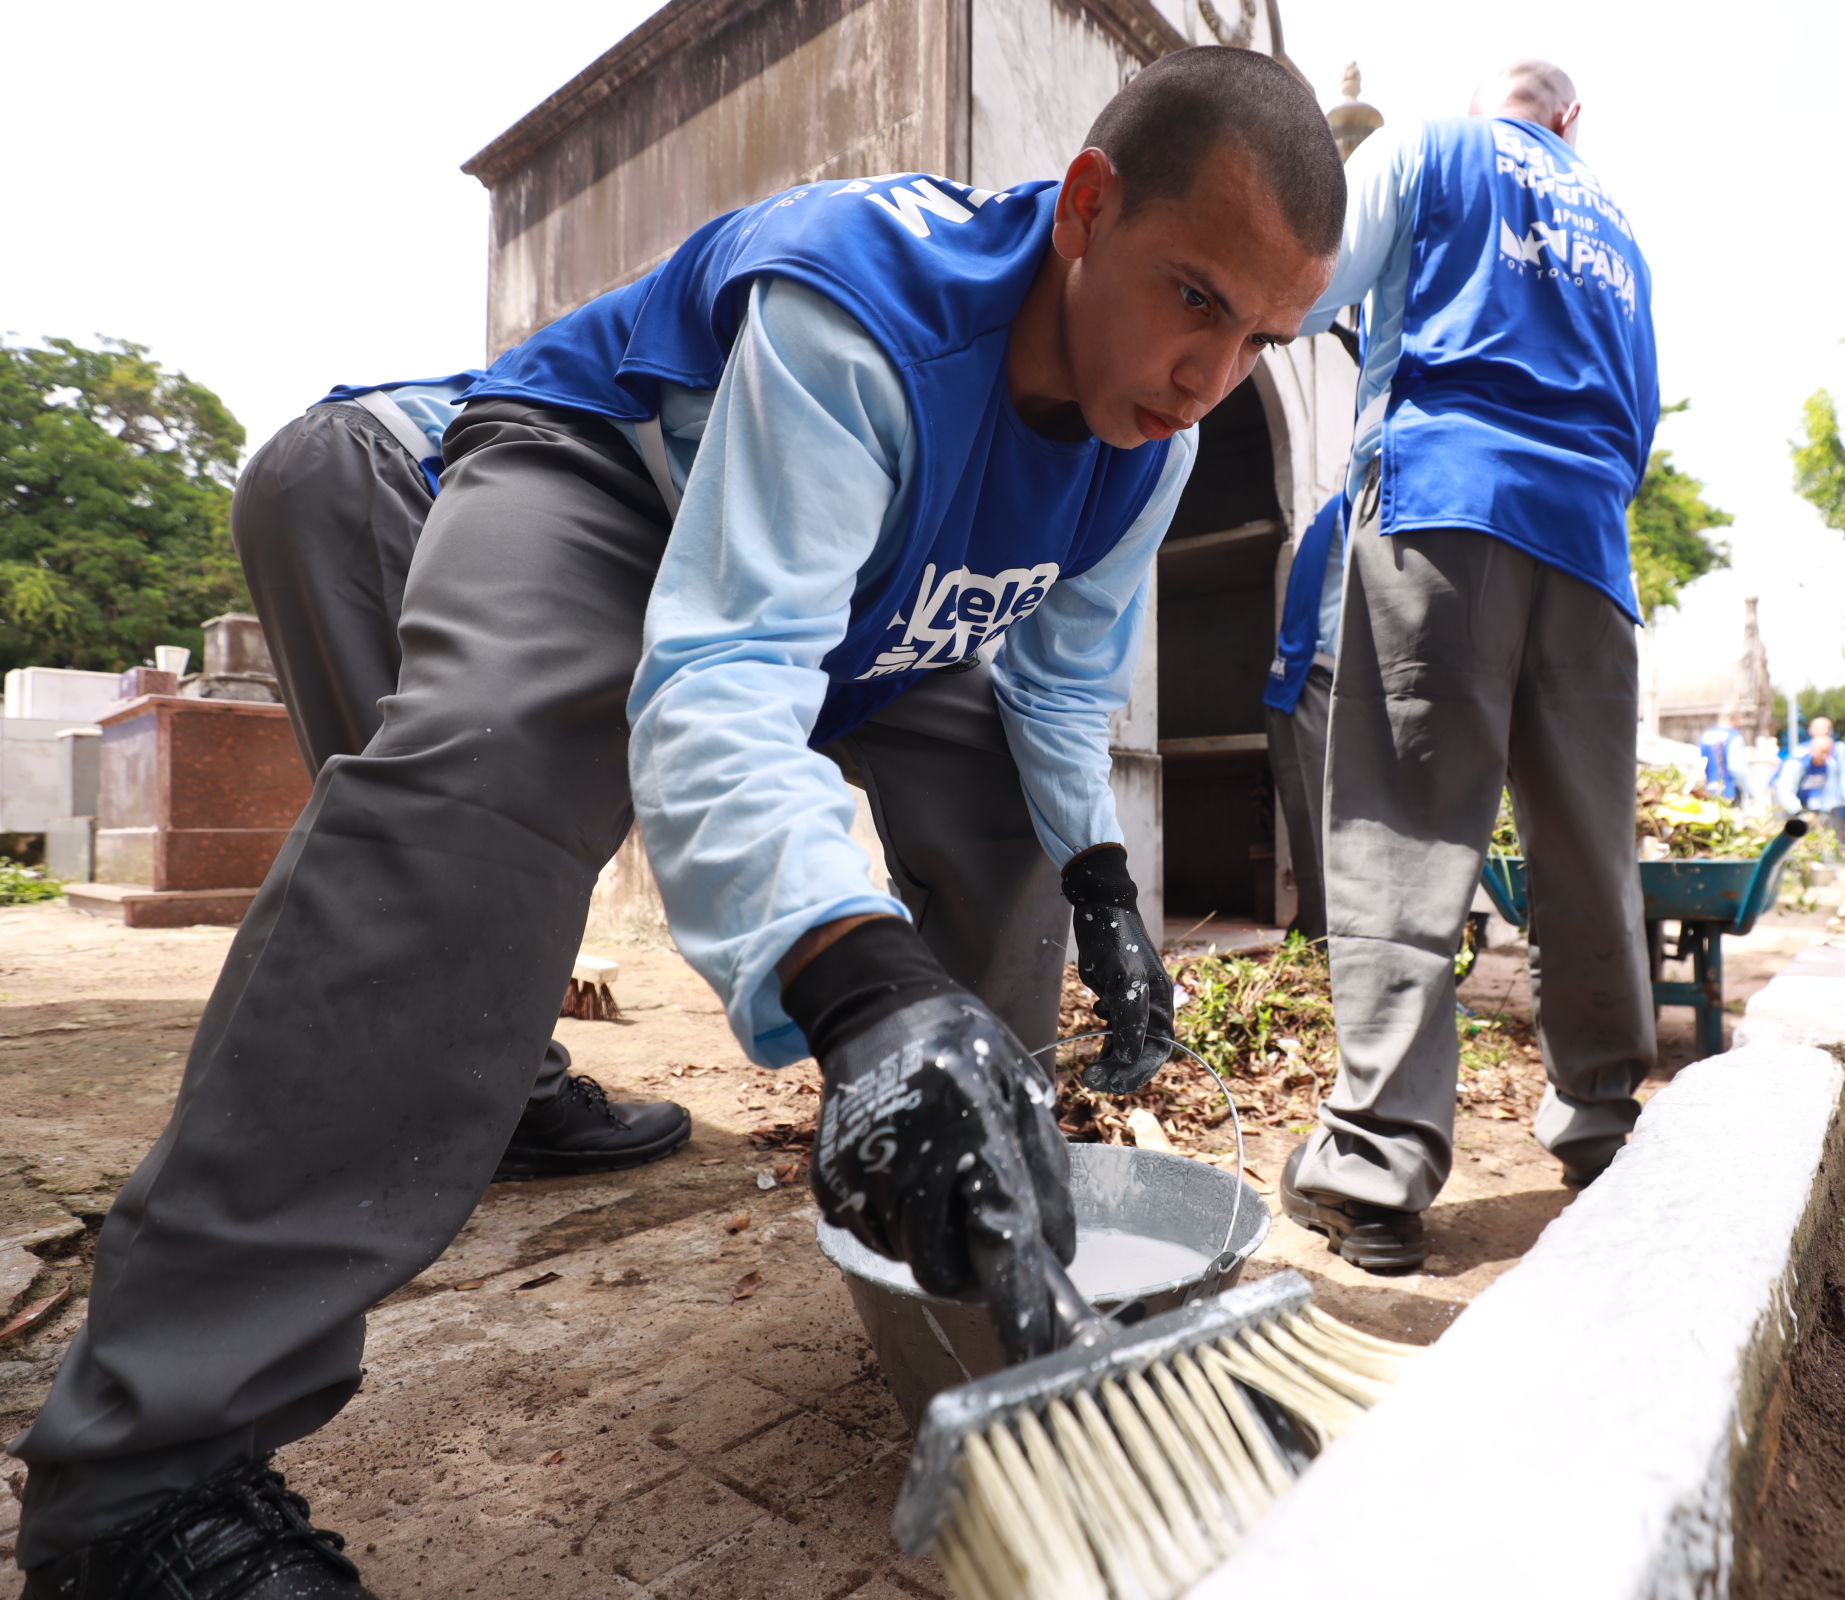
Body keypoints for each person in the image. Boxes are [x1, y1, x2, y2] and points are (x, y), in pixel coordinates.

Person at [8, 48, 1343, 1598]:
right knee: (490, 775)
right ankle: (144, 1473)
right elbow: (722, 668)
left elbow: (1051, 694)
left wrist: (1104, 882)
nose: (1212, 375)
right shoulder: (871, 296)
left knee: (999, 821)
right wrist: (854, 976)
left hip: (863, 605)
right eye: (1195, 299)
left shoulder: (1154, 448)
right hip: (617, 487)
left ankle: (980, 1225)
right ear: (1089, 211)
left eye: (1262, 338)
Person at [1276, 57, 1658, 1275]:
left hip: (1445, 498)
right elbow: (1639, 418)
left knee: (1407, 823)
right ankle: (1603, 1126)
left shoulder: (1427, 148)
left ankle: (1378, 1166)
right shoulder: (1620, 232)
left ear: (1499, 101)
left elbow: (1310, 282)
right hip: (1592, 542)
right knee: (1587, 843)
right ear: (1572, 120)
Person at [230, 373, 694, 1178]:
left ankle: (370, 1084)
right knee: (458, 820)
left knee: (390, 820)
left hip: (321, 459)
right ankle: (514, 1105)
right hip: (393, 473)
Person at [1264, 490, 1346, 941]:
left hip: (1324, 683)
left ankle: (1321, 947)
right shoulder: (1354, 509)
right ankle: (1329, 961)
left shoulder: (1343, 506)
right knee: (1321, 845)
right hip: (1309, 683)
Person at [1773, 717, 1845, 820]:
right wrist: (1799, 812)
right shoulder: (1798, 762)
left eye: (1828, 753)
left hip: (1806, 801)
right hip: (1783, 797)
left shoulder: (1831, 760)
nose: (1825, 756)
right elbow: (1785, 790)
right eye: (1822, 752)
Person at [1696, 704, 1753, 807]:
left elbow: (1700, 765)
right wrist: (1750, 790)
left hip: (1709, 791)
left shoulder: (1705, 736)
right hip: (1730, 792)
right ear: (1737, 717)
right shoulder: (1734, 736)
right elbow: (1736, 767)